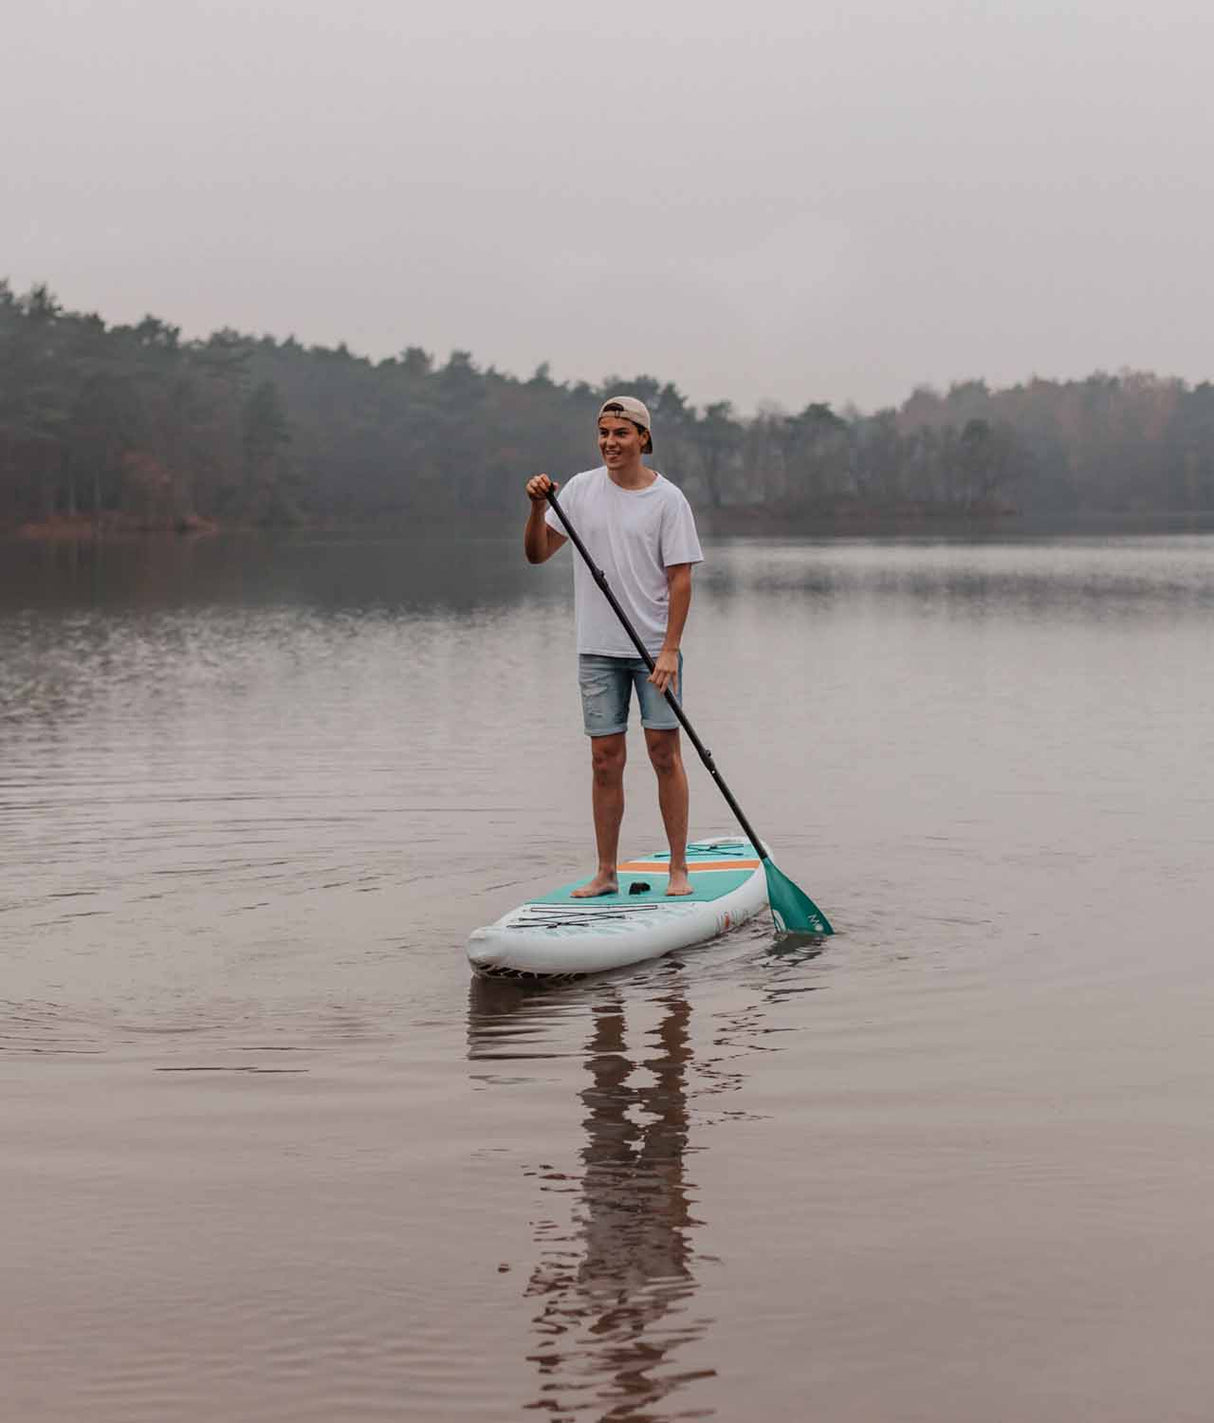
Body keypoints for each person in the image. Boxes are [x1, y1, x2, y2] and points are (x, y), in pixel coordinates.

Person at [524, 396, 704, 898]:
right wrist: (537, 508)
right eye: (604, 433)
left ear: (643, 438)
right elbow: (537, 554)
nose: (610, 442)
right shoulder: (580, 491)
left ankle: (679, 870)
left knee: (664, 754)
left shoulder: (668, 500)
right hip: (598, 649)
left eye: (621, 433)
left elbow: (681, 579)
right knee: (605, 760)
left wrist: (670, 650)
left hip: (653, 651)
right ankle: (606, 873)